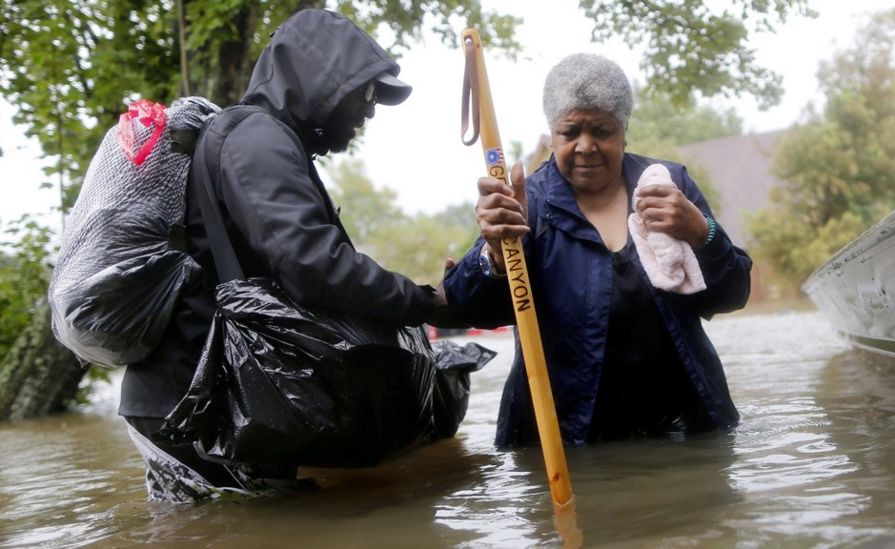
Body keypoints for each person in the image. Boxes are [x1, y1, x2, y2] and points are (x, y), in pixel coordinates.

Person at [120, 9, 455, 502]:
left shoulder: (261, 139)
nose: (369, 111)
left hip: (211, 397)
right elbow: (314, 265)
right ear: (321, 81)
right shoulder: (256, 139)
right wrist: (426, 302)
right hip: (198, 405)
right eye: (365, 94)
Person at [443, 53, 752, 448]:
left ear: (624, 131)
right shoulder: (527, 204)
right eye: (570, 132)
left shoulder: (666, 185)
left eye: (601, 131)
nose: (585, 146)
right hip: (565, 440)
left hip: (685, 430)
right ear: (552, 134)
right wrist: (496, 253)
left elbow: (734, 294)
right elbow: (471, 308)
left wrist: (701, 232)